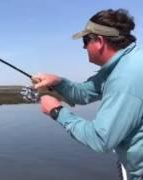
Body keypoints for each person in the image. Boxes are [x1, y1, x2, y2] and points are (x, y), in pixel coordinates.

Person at [32, 9, 143, 180]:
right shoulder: (125, 63)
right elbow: (84, 93)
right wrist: (58, 82)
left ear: (99, 41)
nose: (83, 47)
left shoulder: (125, 78)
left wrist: (57, 112)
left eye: (85, 40)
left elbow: (100, 139)